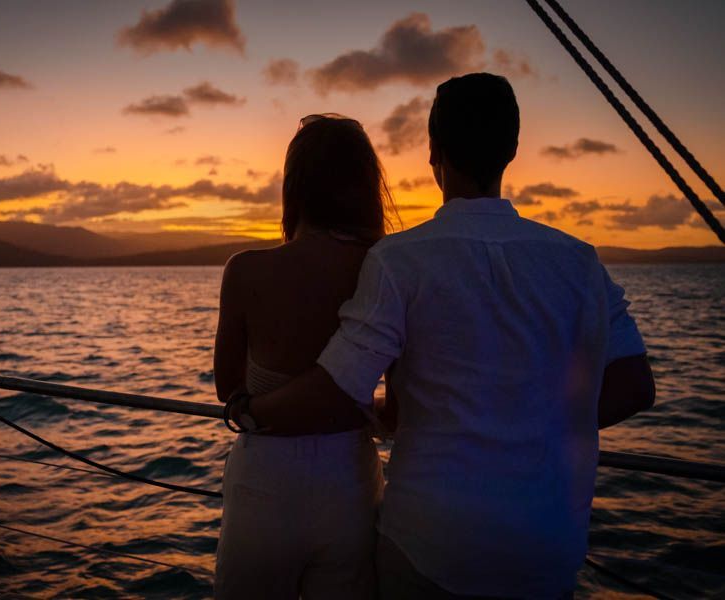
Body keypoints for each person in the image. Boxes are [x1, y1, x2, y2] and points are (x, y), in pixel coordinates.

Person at [229, 73, 655, 598]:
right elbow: (636, 385)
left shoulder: (400, 261)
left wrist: (250, 411)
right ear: (513, 149)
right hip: (546, 546)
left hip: (432, 544)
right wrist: (529, 419)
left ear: (434, 151)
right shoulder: (579, 261)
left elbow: (340, 386)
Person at [213, 113, 396, 599]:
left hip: (265, 475)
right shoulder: (385, 270)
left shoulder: (246, 271)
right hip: (349, 481)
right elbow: (399, 406)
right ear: (364, 187)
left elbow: (227, 387)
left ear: (294, 186)